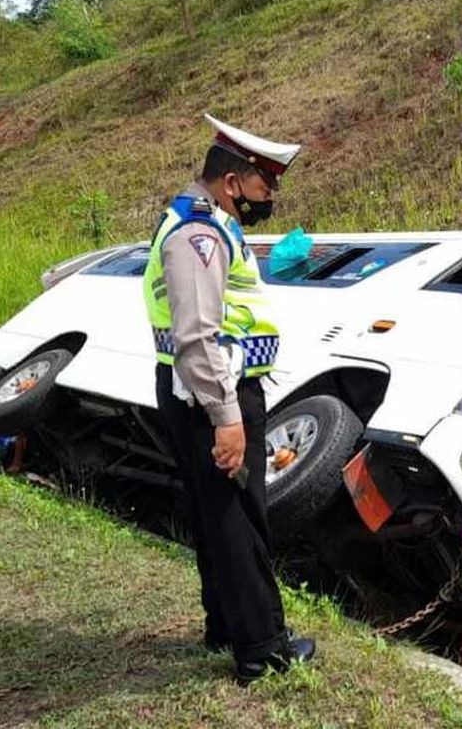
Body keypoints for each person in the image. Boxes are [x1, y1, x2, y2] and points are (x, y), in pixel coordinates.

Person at [143, 113, 314, 684]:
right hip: (213, 395)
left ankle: (226, 625)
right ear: (234, 182)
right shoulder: (200, 234)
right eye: (265, 187)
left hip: (198, 392)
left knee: (217, 517)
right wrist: (227, 417)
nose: (271, 199)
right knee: (241, 521)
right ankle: (262, 648)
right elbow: (196, 334)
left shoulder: (206, 224)